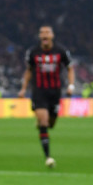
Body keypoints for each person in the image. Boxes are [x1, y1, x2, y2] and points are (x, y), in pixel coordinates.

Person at [18, 26, 75, 169]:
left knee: (51, 124)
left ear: (52, 35)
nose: (44, 35)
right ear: (39, 36)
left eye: (47, 32)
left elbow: (70, 69)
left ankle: (41, 123)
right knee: (43, 122)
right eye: (42, 33)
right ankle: (48, 157)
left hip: (55, 92)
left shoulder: (61, 51)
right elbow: (29, 71)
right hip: (39, 91)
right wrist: (23, 88)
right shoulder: (33, 52)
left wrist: (71, 85)